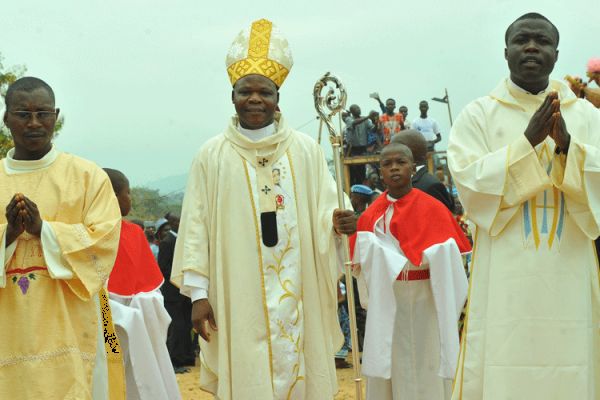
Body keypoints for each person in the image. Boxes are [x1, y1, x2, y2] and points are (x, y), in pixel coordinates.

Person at [170, 18, 356, 400]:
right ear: (232, 96)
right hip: (236, 291)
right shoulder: (212, 155)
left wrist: (336, 223)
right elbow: (195, 229)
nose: (255, 99)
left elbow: (326, 209)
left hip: (299, 284)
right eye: (245, 91)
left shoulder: (304, 150)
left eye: (264, 92)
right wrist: (198, 294)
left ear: (278, 98)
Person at [448, 13, 600, 399]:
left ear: (556, 52)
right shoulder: (478, 115)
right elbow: (469, 182)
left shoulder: (585, 116)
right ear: (506, 52)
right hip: (505, 275)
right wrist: (525, 146)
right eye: (522, 40)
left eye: (541, 41)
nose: (531, 47)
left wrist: (569, 147)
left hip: (571, 267)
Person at [0, 77, 121, 399]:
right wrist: (8, 235)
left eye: (42, 113)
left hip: (69, 320)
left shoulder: (86, 175)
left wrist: (44, 230)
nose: (34, 123)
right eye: (23, 114)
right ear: (6, 118)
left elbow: (105, 240)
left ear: (56, 116)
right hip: (7, 324)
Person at [350, 143, 471, 400]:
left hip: (425, 295)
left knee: (426, 361)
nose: (394, 168)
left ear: (412, 166)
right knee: (390, 363)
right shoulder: (369, 215)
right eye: (387, 163)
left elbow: (453, 259)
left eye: (400, 162)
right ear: (379, 171)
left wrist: (432, 254)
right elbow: (358, 266)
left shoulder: (434, 208)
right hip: (388, 297)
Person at [103, 168, 182, 399]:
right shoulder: (132, 232)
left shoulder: (86, 231)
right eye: (128, 192)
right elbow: (151, 292)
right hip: (126, 323)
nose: (131, 198)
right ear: (114, 196)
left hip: (110, 319)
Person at [158, 212, 196, 373]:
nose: (181, 223)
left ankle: (185, 357)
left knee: (186, 324)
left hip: (182, 291)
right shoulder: (168, 241)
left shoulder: (179, 240)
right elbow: (163, 267)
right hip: (172, 292)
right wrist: (178, 278)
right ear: (172, 223)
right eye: (178, 220)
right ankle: (173, 361)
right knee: (176, 327)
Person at [392, 130, 455, 212]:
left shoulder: (431, 186)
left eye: (394, 148)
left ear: (408, 152)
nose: (389, 152)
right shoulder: (402, 182)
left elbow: (441, 221)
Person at [344, 104, 373, 184]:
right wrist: (368, 116)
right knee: (353, 171)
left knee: (362, 170)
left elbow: (372, 128)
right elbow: (354, 123)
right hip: (353, 149)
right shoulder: (348, 119)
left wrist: (376, 121)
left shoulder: (366, 120)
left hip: (362, 149)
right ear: (352, 111)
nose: (358, 109)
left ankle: (361, 187)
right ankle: (353, 188)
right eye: (356, 108)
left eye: (359, 107)